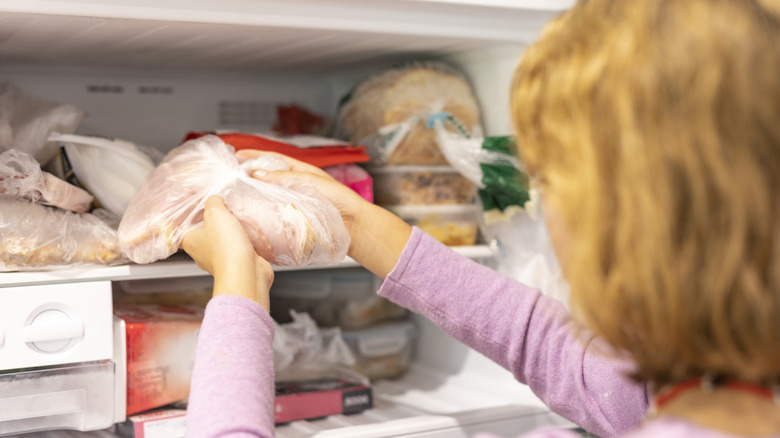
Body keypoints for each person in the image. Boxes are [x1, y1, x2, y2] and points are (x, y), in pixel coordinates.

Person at [182, 0, 780, 436]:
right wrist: (363, 228)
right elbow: (562, 355)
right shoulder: (714, 393)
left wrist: (239, 293)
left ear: (622, 223)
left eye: (549, 182)